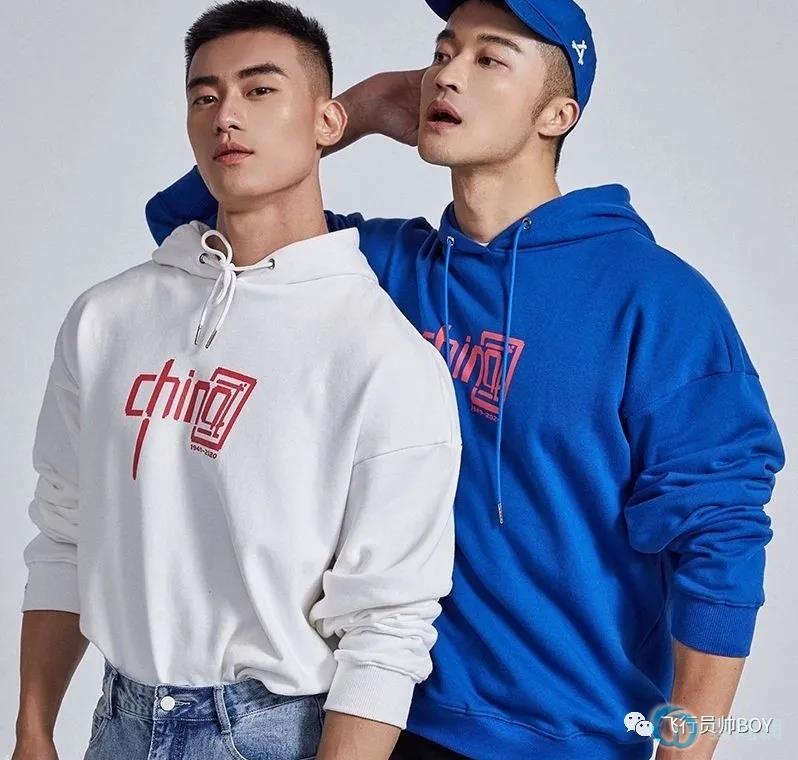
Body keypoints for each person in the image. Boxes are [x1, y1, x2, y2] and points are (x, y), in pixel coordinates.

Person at [146, 1, 785, 758]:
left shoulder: (655, 299)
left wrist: (687, 749)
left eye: (490, 59)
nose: (447, 73)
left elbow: (720, 540)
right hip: (362, 716)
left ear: (556, 115)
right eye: (443, 52)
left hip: (562, 738)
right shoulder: (376, 271)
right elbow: (197, 237)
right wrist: (353, 113)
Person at [12, 2, 463, 759]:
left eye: (260, 90)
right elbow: (64, 530)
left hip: (273, 733)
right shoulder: (107, 318)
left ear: (328, 120)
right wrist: (32, 730)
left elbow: (387, 626)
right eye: (204, 95)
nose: (226, 115)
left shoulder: (381, 355)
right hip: (115, 724)